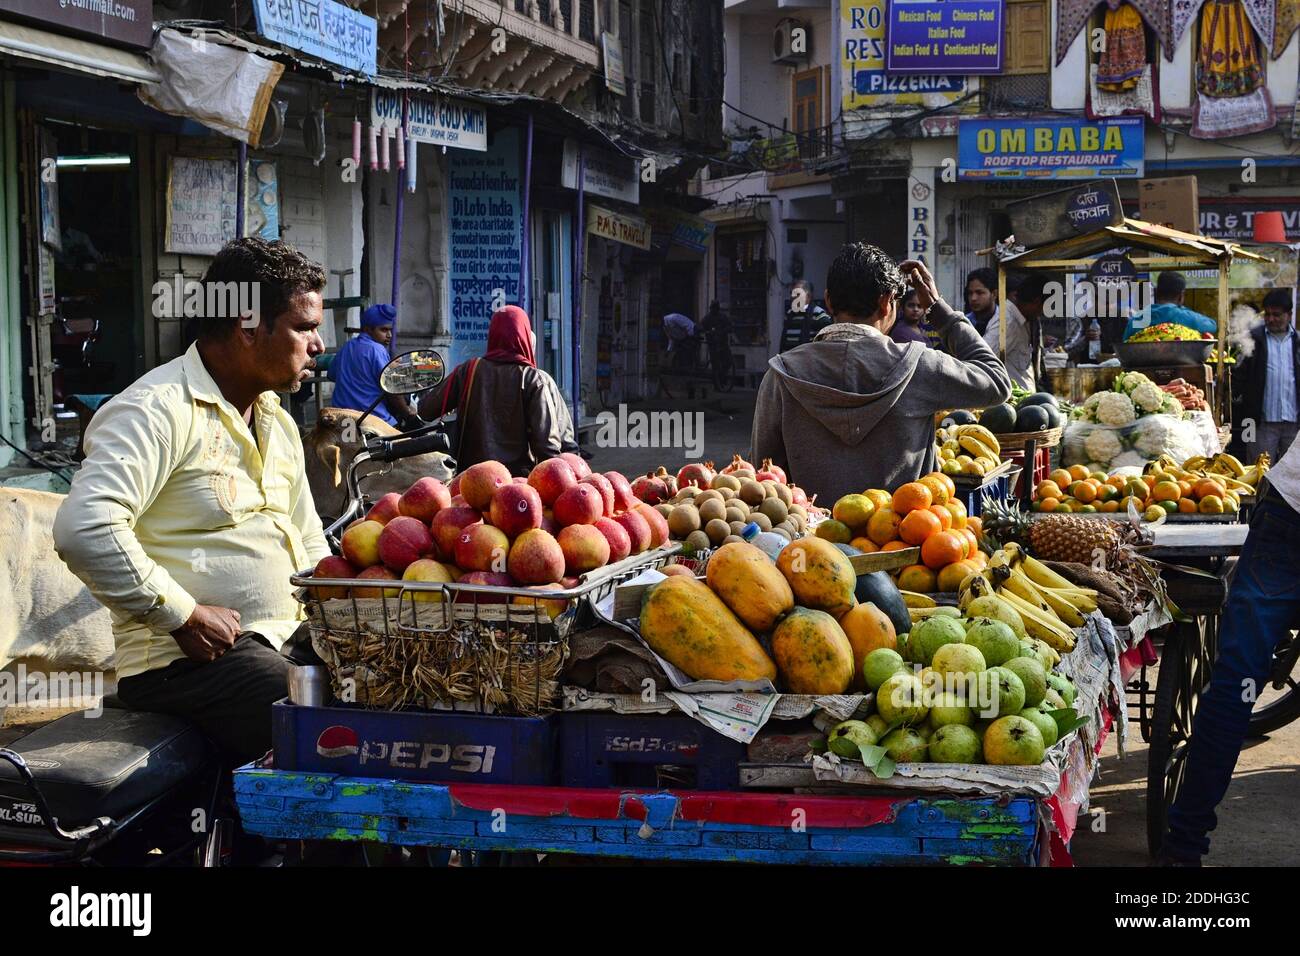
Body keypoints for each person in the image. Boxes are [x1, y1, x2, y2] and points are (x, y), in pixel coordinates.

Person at [52, 238, 330, 766]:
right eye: (305, 327)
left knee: (395, 699)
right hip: (183, 665)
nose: (318, 344)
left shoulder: (276, 420)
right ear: (248, 327)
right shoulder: (155, 411)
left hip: (282, 640)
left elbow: (308, 539)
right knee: (322, 725)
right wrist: (184, 615)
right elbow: (84, 526)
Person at [750, 243, 1012, 502]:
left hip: (809, 542)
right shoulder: (920, 366)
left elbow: (763, 475)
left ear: (828, 301)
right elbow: (997, 382)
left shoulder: (780, 374)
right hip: (908, 538)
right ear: (887, 303)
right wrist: (938, 311)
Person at [1159, 434, 1300, 866]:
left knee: (1235, 688)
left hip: (1290, 509)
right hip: (1290, 513)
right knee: (1232, 693)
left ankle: (1182, 846)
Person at [418, 305, 576, 476]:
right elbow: (547, 447)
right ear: (524, 335)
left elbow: (426, 410)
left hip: (471, 482)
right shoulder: (534, 379)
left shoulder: (468, 370)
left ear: (492, 335)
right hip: (518, 485)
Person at [1232, 289, 1300, 463]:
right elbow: (1239, 377)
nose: (1271, 319)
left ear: (1289, 314)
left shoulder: (1298, 341)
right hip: (1259, 423)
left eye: (1276, 315)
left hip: (1294, 424)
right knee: (1256, 472)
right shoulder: (1253, 339)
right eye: (1267, 314)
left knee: (1291, 476)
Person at [328, 303, 419, 429]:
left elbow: (331, 375)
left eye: (390, 330)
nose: (389, 335)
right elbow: (392, 391)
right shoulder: (377, 350)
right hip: (373, 420)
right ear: (368, 329)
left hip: (342, 420)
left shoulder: (347, 346)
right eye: (384, 330)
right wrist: (407, 413)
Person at [983, 274, 1047, 391]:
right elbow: (983, 362)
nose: (1042, 312)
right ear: (1037, 302)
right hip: (1012, 402)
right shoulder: (1007, 322)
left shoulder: (1026, 321)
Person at [1123, 271, 1217, 342]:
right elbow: (1212, 326)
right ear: (1181, 296)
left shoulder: (1137, 319)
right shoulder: (1188, 317)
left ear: (1156, 293)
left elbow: (1126, 342)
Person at [781, 280, 834, 352]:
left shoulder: (818, 314)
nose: (793, 297)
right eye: (792, 294)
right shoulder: (789, 314)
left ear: (808, 296)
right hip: (788, 361)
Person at [701, 301, 733, 390]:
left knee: (727, 362)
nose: (713, 310)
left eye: (715, 308)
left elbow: (730, 327)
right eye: (712, 308)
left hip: (723, 344)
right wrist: (706, 331)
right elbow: (701, 326)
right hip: (713, 344)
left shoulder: (723, 317)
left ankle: (722, 379)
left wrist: (723, 331)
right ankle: (717, 384)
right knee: (715, 365)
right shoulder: (707, 318)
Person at [964, 268, 999, 335]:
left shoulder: (1005, 322)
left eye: (979, 293)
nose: (973, 298)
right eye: (970, 293)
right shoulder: (964, 323)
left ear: (994, 294)